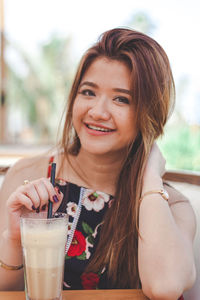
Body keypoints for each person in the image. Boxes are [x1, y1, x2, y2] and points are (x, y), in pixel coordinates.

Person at [0, 27, 196, 299]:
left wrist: (149, 176)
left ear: (148, 114)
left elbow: (164, 287)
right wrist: (12, 237)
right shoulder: (28, 176)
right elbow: (5, 292)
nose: (97, 112)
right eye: (89, 92)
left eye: (121, 99)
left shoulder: (171, 206)